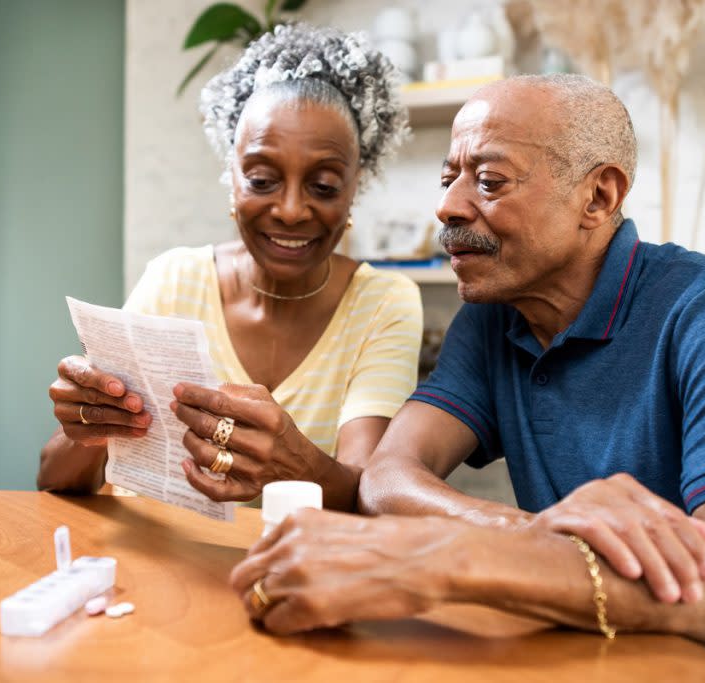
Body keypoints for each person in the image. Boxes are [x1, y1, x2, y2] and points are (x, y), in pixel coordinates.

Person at [227, 75, 705, 682]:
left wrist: (444, 556)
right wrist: (531, 533)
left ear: (597, 197)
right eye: (449, 177)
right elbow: (389, 474)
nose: (448, 207)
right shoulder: (491, 318)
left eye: (489, 181)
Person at [37, 23, 421, 511]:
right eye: (262, 179)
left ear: (354, 189)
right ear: (232, 176)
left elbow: (366, 496)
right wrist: (87, 425)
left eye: (323, 186)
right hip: (152, 565)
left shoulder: (383, 302)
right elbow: (53, 480)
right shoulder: (174, 280)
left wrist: (292, 461)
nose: (290, 209)